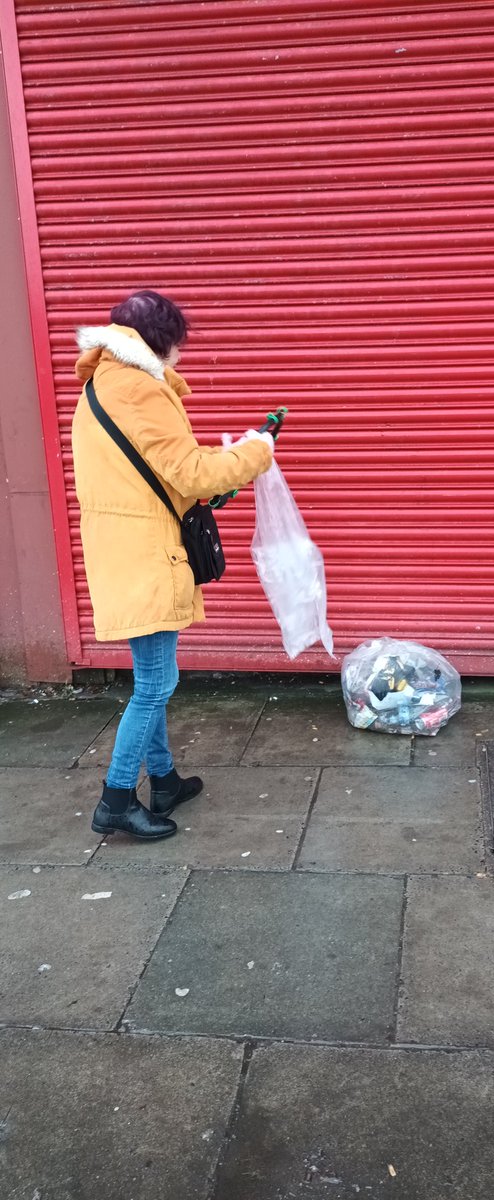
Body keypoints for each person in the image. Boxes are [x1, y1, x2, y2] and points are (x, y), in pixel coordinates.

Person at [71, 290, 274, 841]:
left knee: (150, 677)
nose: (180, 354)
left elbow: (157, 471)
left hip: (123, 547)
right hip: (145, 553)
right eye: (178, 344)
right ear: (161, 340)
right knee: (157, 684)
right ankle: (116, 799)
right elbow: (190, 473)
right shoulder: (139, 388)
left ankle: (163, 781)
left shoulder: (101, 385)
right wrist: (256, 452)